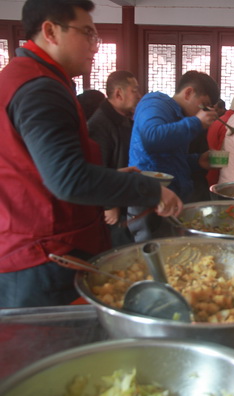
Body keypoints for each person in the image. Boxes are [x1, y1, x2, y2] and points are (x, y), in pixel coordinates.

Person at [0, 0, 182, 308]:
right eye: (88, 33)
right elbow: (68, 180)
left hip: (38, 248)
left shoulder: (32, 78)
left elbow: (46, 170)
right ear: (50, 31)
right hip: (43, 257)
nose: (95, 46)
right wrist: (150, 190)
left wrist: (112, 181)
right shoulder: (39, 89)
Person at [127, 70, 219, 241]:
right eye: (203, 104)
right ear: (189, 92)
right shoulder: (155, 103)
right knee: (153, 254)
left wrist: (197, 161)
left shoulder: (179, 116)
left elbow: (171, 158)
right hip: (151, 197)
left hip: (171, 197)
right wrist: (196, 122)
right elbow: (151, 138)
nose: (204, 111)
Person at [87, 70, 141, 247]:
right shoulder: (101, 123)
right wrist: (109, 205)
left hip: (123, 195)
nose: (139, 95)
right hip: (112, 202)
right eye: (135, 90)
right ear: (119, 93)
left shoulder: (122, 118)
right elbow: (97, 168)